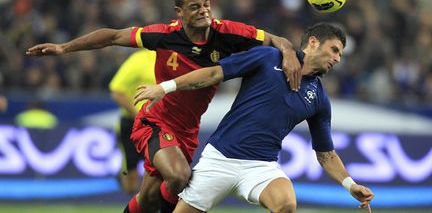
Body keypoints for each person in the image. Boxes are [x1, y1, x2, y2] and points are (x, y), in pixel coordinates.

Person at [26, 0, 302, 213]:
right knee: (180, 176)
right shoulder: (163, 35)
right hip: (155, 121)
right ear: (179, 12)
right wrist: (64, 48)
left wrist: (289, 53)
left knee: (148, 199)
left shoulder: (228, 33)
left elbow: (278, 40)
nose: (204, 11)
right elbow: (112, 36)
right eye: (195, 6)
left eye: (206, 4)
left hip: (188, 131)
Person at [135, 23, 374, 213]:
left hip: (261, 167)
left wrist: (350, 185)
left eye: (340, 54)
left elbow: (326, 154)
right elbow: (212, 74)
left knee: (286, 204)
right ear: (313, 42)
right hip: (220, 158)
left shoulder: (320, 99)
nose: (337, 58)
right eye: (334, 50)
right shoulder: (268, 57)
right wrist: (165, 87)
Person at [109, 48, 156, 195]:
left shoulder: (174, 58)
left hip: (160, 124)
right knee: (131, 171)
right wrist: (138, 115)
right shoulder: (139, 60)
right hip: (133, 123)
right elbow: (116, 91)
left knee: (158, 166)